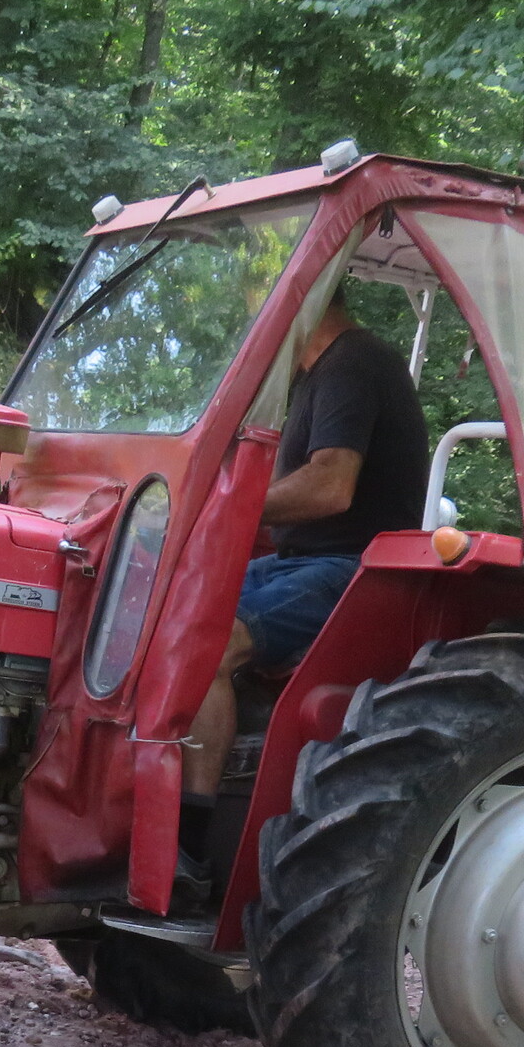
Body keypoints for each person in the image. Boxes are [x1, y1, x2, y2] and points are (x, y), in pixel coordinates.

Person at [180, 286, 428, 880]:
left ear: (306, 297)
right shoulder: (316, 372)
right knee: (166, 611)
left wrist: (227, 510)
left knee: (209, 648)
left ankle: (186, 846)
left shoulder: (353, 363)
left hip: (350, 568)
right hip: (298, 561)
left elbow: (330, 487)